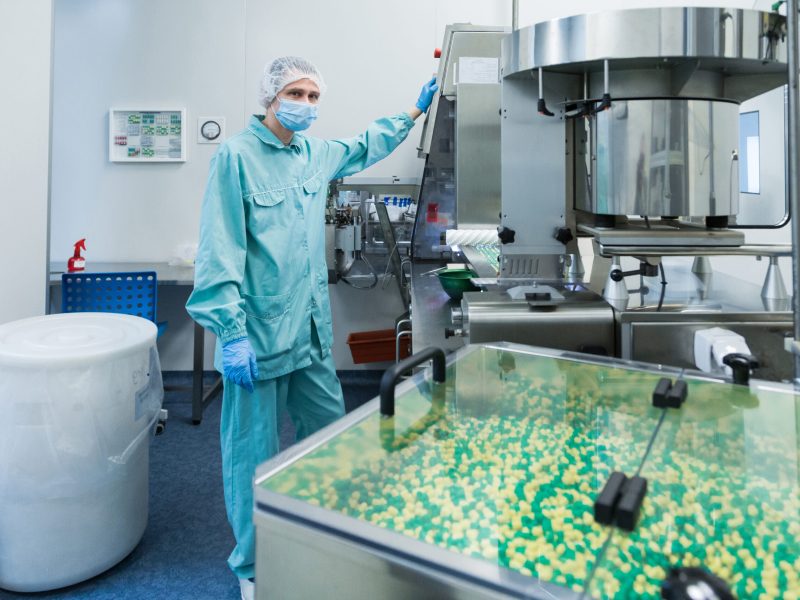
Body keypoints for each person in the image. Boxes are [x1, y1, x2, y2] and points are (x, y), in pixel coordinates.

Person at [185, 56, 438, 600]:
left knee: (330, 438)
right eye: (296, 93)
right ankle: (253, 568)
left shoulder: (314, 154)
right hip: (257, 340)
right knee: (251, 457)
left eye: (313, 96)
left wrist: (415, 110)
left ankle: (323, 536)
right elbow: (219, 252)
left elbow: (365, 144)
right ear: (271, 97)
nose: (305, 104)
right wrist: (229, 333)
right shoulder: (236, 158)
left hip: (311, 336)